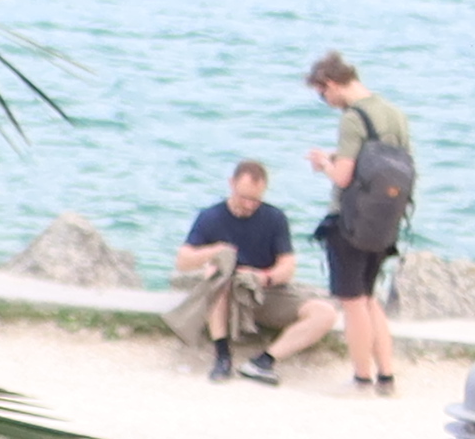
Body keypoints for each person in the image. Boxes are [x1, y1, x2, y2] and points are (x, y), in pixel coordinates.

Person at [268, 49, 417, 393]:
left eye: (323, 94)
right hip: (385, 220)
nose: (326, 101)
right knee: (370, 299)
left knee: (352, 302)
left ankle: (362, 377)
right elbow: (390, 162)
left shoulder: (352, 118)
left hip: (350, 221)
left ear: (331, 83)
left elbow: (344, 177)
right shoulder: (394, 113)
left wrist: (324, 163)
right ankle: (386, 376)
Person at [167, 162, 302, 380]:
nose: (249, 205)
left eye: (255, 200)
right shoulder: (210, 217)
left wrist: (265, 278)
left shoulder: (275, 218)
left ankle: (264, 361)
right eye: (243, 197)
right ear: (231, 184)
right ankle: (222, 355)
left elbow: (288, 265)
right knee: (217, 277)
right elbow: (183, 261)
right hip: (227, 295)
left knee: (324, 313)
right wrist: (216, 251)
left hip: (262, 290)